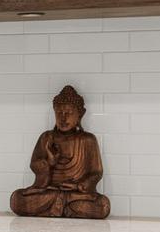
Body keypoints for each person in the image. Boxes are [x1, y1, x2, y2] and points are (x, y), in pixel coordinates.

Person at [9, 84, 111, 220]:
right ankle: (66, 208)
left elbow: (96, 173)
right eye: (59, 113)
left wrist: (79, 185)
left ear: (80, 114)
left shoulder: (88, 140)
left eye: (68, 113)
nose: (63, 118)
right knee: (17, 199)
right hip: (49, 192)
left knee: (102, 205)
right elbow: (35, 165)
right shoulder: (46, 137)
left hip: (76, 194)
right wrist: (48, 163)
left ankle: (59, 207)